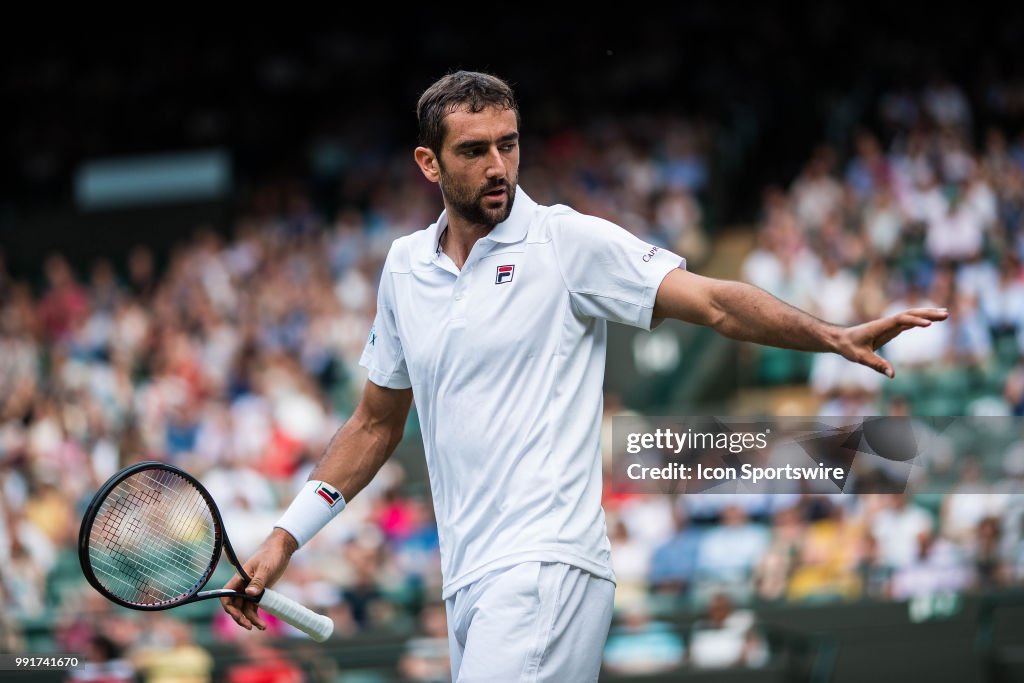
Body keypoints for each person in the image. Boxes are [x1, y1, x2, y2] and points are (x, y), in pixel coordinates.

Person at [221, 70, 949, 681]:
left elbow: (717, 303)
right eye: (474, 151)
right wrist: (286, 537)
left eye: (508, 144)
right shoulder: (404, 268)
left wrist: (830, 335)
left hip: (547, 565)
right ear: (428, 163)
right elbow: (375, 423)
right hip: (468, 579)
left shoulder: (566, 241)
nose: (499, 166)